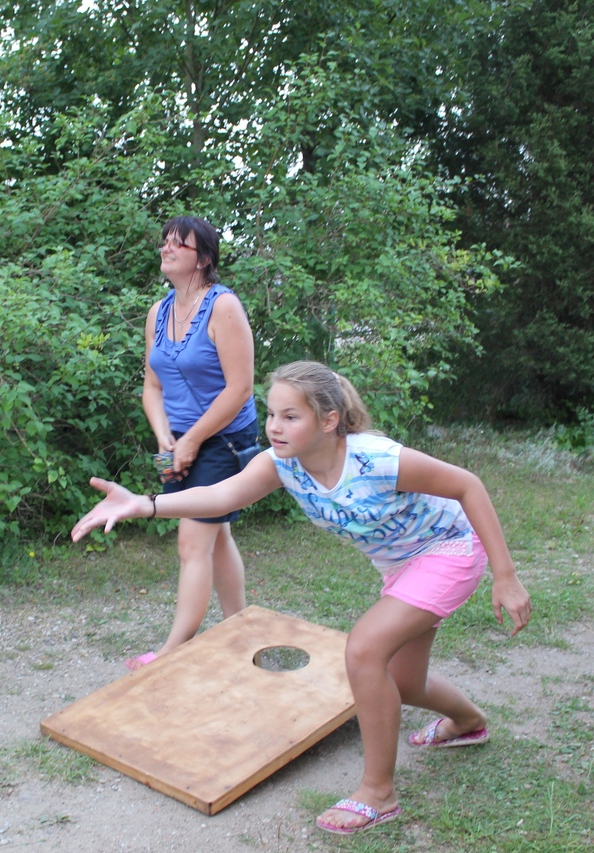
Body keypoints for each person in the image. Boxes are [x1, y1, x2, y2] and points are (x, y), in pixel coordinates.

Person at [72, 360, 532, 835]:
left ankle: (379, 793)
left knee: (364, 652)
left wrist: (506, 576)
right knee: (405, 683)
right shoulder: (282, 464)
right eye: (271, 414)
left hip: (447, 551)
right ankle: (469, 722)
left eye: (290, 416)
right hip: (400, 567)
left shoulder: (375, 460)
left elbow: (467, 485)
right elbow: (221, 497)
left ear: (329, 420)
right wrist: (144, 504)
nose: (274, 427)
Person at [130, 215, 260, 671]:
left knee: (192, 541)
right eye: (164, 242)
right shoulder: (159, 312)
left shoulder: (224, 307)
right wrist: (164, 435)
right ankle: (240, 627)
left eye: (178, 244)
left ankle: (173, 650)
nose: (166, 249)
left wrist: (192, 442)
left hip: (224, 439)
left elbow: (240, 389)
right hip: (179, 440)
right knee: (216, 535)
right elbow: (152, 386)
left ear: (202, 258)